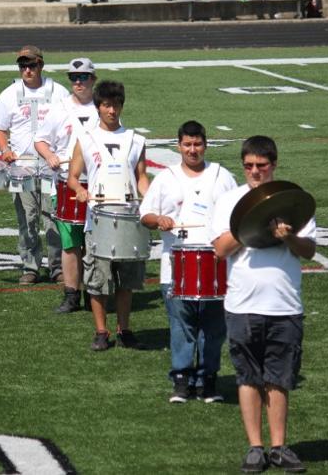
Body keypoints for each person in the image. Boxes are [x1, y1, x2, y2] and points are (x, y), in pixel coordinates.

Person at [211, 135, 315, 473]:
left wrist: (290, 237)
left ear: (274, 164)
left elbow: (309, 250)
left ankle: (279, 447)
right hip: (242, 304)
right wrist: (248, 226)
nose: (255, 172)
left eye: (262, 166)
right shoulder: (230, 201)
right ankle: (255, 447)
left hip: (284, 305)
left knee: (279, 378)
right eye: (249, 166)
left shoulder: (292, 200)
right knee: (248, 377)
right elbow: (220, 249)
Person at [140, 120, 237, 403]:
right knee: (181, 326)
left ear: (205, 145)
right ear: (178, 146)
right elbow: (145, 215)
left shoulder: (222, 176)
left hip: (216, 264)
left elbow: (237, 216)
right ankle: (182, 379)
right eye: (187, 145)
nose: (192, 150)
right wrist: (159, 219)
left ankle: (208, 379)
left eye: (197, 144)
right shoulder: (166, 178)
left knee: (213, 328)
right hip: (176, 266)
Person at [67, 80, 149, 350]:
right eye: (106, 105)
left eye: (116, 105)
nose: (112, 111)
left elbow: (141, 177)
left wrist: (148, 197)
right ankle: (101, 331)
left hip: (127, 215)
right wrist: (79, 189)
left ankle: (124, 329)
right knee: (98, 279)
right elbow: (72, 177)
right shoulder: (86, 139)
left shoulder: (136, 140)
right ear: (98, 107)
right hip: (98, 217)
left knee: (126, 280)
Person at [0, 45, 69, 285]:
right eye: (23, 66)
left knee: (53, 217)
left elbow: (70, 124)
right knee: (27, 218)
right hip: (21, 166)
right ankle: (30, 266)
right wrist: (5, 150)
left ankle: (57, 267)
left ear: (41, 65)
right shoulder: (9, 94)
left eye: (31, 65)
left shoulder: (59, 92)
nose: (27, 70)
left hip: (51, 166)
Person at [34, 57, 98, 313]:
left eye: (83, 77)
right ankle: (71, 295)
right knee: (70, 244)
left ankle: (97, 292)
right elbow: (40, 140)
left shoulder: (102, 108)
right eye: (73, 77)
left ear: (93, 78)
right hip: (65, 183)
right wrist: (49, 155)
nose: (78, 82)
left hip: (95, 185)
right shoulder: (59, 109)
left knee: (95, 243)